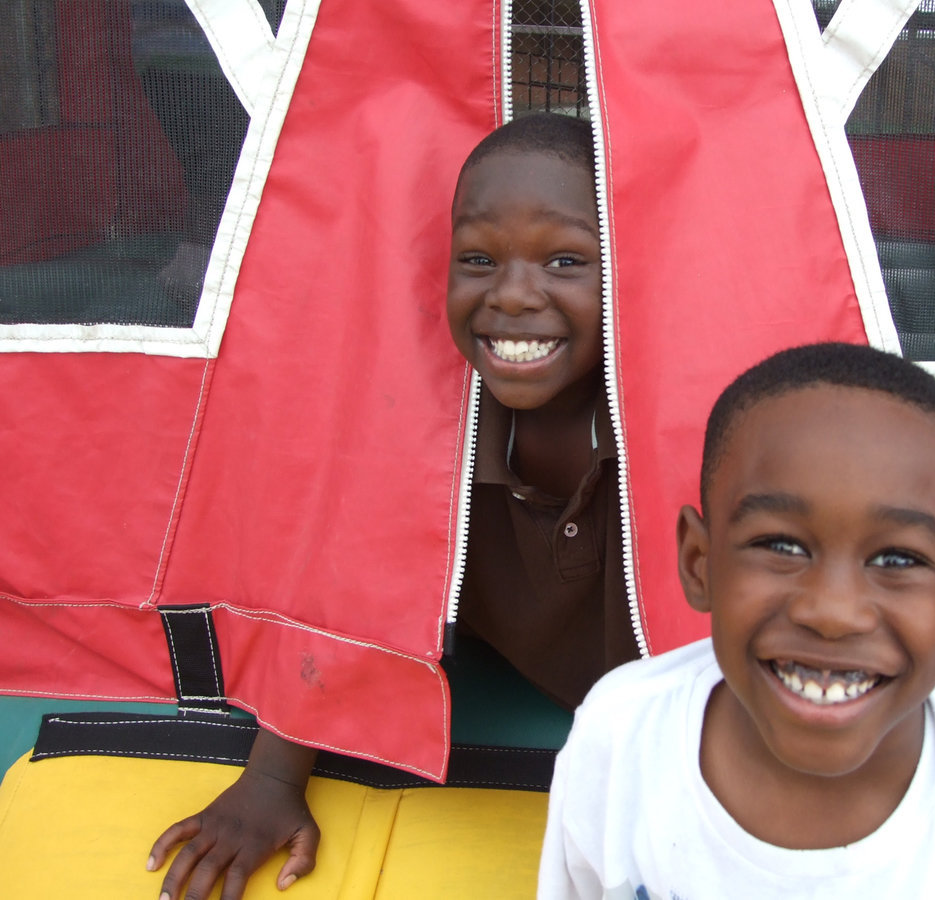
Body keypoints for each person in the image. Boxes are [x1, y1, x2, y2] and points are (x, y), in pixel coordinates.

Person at [147, 112, 639, 900]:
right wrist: (272, 779)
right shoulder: (429, 412)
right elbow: (347, 562)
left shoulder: (660, 422)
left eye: (565, 260)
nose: (513, 295)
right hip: (486, 675)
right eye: (478, 259)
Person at [538, 342, 935, 898]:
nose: (834, 613)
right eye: (781, 545)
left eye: (897, 559)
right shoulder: (618, 744)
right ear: (699, 562)